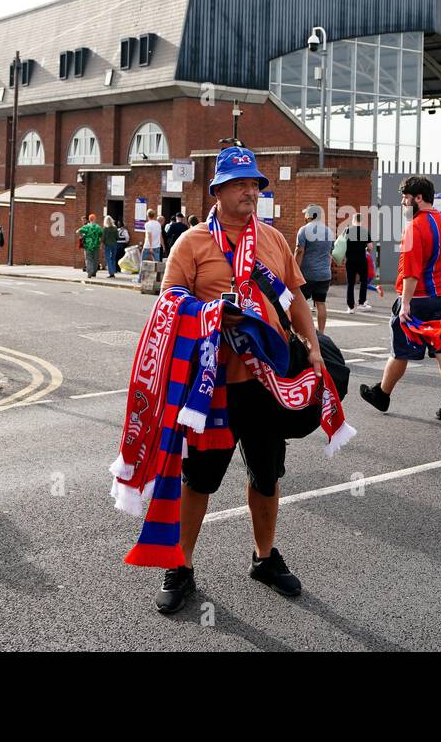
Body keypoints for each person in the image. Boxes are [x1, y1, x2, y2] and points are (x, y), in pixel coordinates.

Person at [153, 146, 320, 614]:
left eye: (256, 185)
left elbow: (296, 301)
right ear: (218, 191)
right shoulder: (191, 244)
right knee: (199, 481)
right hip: (211, 386)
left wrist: (312, 344)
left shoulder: (272, 239)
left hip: (265, 383)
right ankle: (180, 565)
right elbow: (168, 305)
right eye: (241, 184)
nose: (251, 191)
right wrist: (209, 312)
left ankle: (264, 558)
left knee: (266, 477)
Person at [359, 175, 441, 425]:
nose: (403, 203)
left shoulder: (414, 226)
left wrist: (405, 303)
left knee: (401, 351)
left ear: (418, 198)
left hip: (418, 299)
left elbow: (411, 271)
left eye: (405, 198)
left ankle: (382, 394)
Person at [294, 204, 335, 334]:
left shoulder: (304, 230)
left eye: (305, 213)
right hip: (324, 274)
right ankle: (321, 333)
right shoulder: (329, 231)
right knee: (320, 303)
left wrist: (294, 269)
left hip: (307, 274)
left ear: (309, 215)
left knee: (300, 303)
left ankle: (304, 331)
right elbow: (330, 253)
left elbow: (299, 251)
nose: (304, 216)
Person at [343, 211, 374, 313]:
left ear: (353, 220)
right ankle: (361, 303)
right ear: (362, 221)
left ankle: (350, 307)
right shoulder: (365, 231)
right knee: (363, 281)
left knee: (350, 284)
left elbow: (341, 245)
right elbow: (370, 247)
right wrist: (365, 250)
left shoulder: (347, 230)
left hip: (350, 260)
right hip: (361, 260)